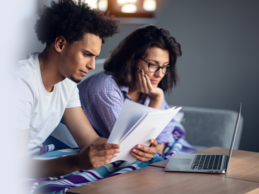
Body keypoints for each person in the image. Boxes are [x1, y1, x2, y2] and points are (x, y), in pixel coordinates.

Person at [15, 0, 157, 178]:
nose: (91, 65)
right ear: (60, 44)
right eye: (86, 54)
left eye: (95, 57)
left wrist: (135, 149)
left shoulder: (67, 85)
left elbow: (90, 141)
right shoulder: (20, 82)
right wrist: (75, 162)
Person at [78, 25, 190, 156]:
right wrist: (156, 100)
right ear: (133, 60)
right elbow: (131, 146)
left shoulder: (151, 89)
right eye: (153, 64)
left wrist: (153, 150)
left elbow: (164, 138)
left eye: (165, 66)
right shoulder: (105, 88)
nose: (160, 74)